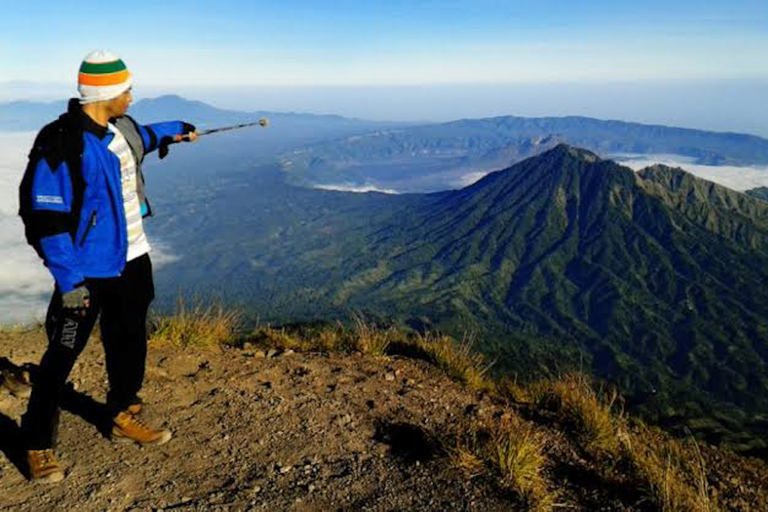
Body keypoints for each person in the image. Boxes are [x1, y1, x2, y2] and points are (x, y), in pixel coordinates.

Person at [17, 50, 197, 483]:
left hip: (134, 258)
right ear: (105, 93)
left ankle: (122, 412)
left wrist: (176, 131)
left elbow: (143, 139)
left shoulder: (121, 129)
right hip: (87, 271)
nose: (132, 96)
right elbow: (46, 217)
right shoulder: (62, 143)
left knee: (130, 338)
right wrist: (69, 280)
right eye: (126, 89)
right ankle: (37, 442)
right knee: (62, 353)